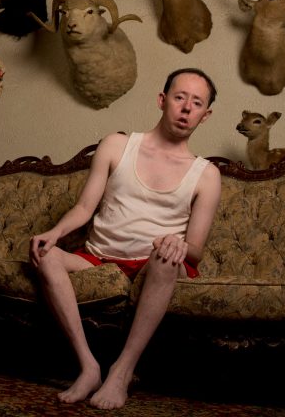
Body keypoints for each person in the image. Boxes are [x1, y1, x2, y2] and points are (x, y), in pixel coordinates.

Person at [30, 68, 222, 410]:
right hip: (100, 256)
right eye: (180, 98)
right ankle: (88, 366)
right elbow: (85, 206)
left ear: (205, 115)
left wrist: (178, 245)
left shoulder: (206, 174)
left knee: (167, 256)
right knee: (46, 255)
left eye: (197, 103)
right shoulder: (117, 145)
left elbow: (195, 252)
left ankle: (121, 371)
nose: (186, 109)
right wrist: (54, 233)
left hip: (157, 265)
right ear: (162, 101)